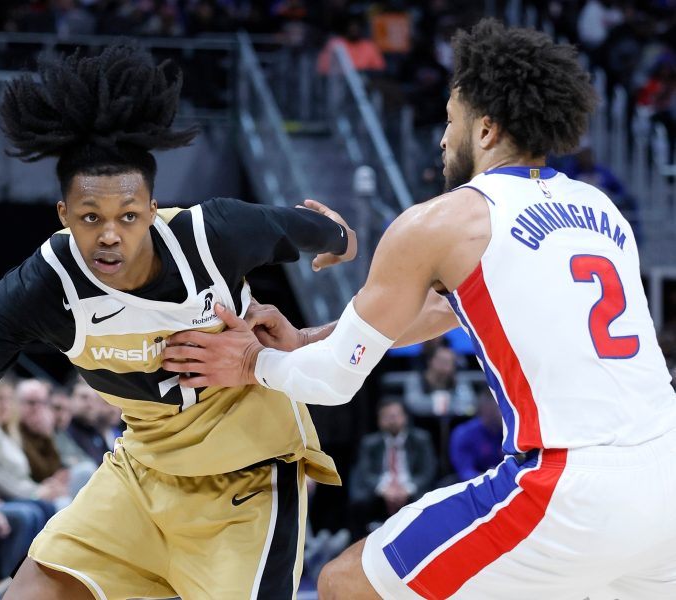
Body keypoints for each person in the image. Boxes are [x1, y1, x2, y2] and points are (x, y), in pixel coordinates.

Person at [162, 19, 676, 599]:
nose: (442, 138)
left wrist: (251, 362)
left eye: (451, 120)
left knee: (344, 584)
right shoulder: (600, 209)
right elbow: (443, 311)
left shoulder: (444, 220)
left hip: (569, 486)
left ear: (485, 129)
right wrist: (306, 339)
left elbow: (333, 382)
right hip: (666, 479)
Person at [0, 43, 356, 600]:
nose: (110, 235)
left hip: (247, 480)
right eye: (91, 217)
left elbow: (328, 233)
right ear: (64, 214)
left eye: (129, 216)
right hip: (143, 474)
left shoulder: (213, 236)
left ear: (153, 209)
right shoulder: (43, 287)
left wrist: (339, 239)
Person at [348, 398, 436, 538]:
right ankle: (359, 542)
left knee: (427, 499)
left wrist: (407, 488)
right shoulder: (369, 443)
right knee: (359, 499)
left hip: (410, 488)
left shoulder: (421, 439)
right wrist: (384, 489)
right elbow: (365, 472)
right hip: (381, 490)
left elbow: (427, 471)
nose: (391, 421)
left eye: (394, 416)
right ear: (378, 420)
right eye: (386, 417)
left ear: (405, 417)